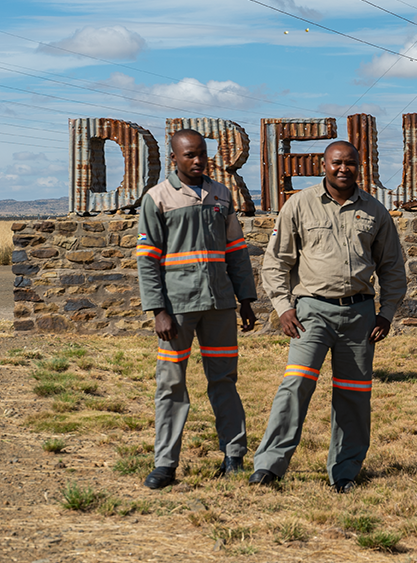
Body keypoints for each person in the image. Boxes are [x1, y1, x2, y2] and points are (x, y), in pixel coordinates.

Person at [248, 140, 407, 493]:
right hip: (311, 314)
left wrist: (387, 314)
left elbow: (393, 267)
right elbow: (276, 262)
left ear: (358, 166)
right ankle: (269, 466)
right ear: (324, 165)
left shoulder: (375, 212)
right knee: (295, 386)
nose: (343, 169)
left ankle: (345, 472)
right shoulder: (299, 205)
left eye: (350, 163)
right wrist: (283, 307)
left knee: (354, 394)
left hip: (360, 317)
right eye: (336, 162)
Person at [136, 129, 257, 489]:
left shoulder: (221, 194)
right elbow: (147, 260)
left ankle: (234, 455)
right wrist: (157, 309)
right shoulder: (157, 198)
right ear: (174, 158)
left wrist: (246, 299)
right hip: (177, 309)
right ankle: (165, 464)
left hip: (219, 305)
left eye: (202, 153)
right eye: (189, 155)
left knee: (224, 380)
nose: (198, 160)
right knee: (171, 385)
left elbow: (236, 251)